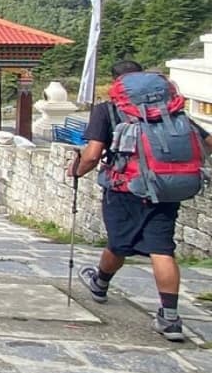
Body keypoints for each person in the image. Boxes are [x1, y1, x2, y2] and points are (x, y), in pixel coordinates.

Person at [69, 60, 209, 342]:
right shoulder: (170, 110)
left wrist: (77, 170)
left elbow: (94, 153)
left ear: (116, 83)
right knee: (162, 248)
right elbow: (206, 142)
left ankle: (100, 283)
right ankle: (169, 316)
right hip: (168, 186)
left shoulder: (108, 109)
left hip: (126, 187)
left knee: (119, 240)